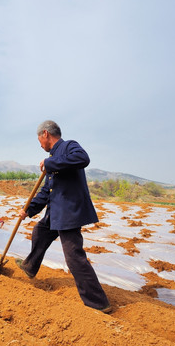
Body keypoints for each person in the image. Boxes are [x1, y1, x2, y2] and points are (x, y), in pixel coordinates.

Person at [16, 120, 112, 313]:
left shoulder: (69, 147)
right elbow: (46, 191)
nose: (40, 144)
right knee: (40, 231)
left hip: (68, 212)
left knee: (74, 256)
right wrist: (29, 209)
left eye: (39, 140)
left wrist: (50, 163)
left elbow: (83, 158)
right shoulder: (53, 157)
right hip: (56, 210)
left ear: (45, 134)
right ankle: (29, 266)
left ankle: (98, 303)